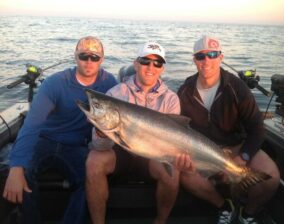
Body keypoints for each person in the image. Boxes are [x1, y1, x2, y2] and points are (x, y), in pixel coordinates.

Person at [2, 36, 118, 224]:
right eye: (83, 56)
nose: (89, 61)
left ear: (102, 59)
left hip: (78, 146)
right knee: (21, 173)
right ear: (75, 56)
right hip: (45, 140)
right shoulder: (55, 83)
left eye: (95, 57)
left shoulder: (109, 84)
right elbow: (32, 125)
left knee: (89, 181)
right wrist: (16, 167)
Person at [177, 35, 280, 224]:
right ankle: (223, 207)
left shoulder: (236, 87)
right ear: (194, 60)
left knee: (271, 177)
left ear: (220, 57)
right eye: (201, 56)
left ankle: (248, 212)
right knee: (185, 176)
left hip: (237, 145)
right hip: (203, 150)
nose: (206, 61)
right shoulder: (185, 90)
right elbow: (180, 129)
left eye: (212, 54)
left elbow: (257, 128)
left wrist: (244, 156)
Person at [86, 42, 181, 224]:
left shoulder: (171, 99)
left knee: (173, 172)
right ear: (136, 63)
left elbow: (171, 143)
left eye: (157, 63)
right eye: (145, 61)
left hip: (153, 155)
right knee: (93, 161)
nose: (150, 67)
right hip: (121, 152)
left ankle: (160, 221)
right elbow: (99, 146)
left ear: (162, 68)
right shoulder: (115, 93)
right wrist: (101, 132)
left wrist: (178, 155)